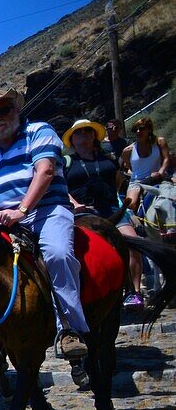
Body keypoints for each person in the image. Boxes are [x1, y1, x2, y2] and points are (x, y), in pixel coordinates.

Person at [0, 88, 89, 360]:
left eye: (3, 111)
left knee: (57, 254)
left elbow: (44, 171)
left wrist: (22, 210)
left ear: (16, 109)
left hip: (45, 210)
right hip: (2, 220)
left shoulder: (39, 131)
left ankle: (71, 328)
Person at [62, 118, 144, 309]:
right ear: (72, 139)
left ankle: (135, 292)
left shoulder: (109, 159)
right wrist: (74, 203)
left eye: (88, 131)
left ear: (94, 136)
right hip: (83, 212)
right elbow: (61, 187)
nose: (84, 135)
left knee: (132, 242)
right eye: (79, 132)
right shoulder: (66, 163)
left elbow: (117, 181)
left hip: (111, 209)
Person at [121, 115, 171, 218]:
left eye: (142, 128)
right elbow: (128, 166)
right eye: (136, 129)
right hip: (138, 182)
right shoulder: (128, 151)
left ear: (149, 129)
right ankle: (136, 227)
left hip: (158, 177)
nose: (138, 131)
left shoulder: (159, 142)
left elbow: (166, 159)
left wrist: (160, 172)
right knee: (131, 204)